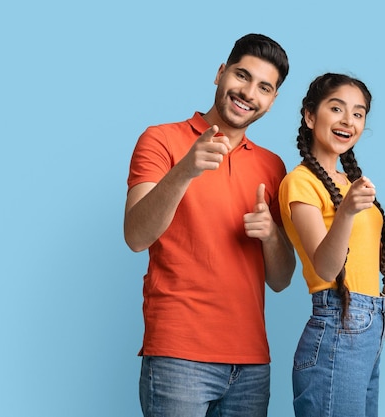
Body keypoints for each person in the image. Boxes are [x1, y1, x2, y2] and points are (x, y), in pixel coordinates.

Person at [124, 33, 296, 417]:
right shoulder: (161, 139)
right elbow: (135, 236)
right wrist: (186, 169)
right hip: (178, 356)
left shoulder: (273, 167)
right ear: (220, 73)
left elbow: (282, 279)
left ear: (272, 101)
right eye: (242, 75)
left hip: (251, 364)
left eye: (264, 87)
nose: (249, 92)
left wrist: (270, 235)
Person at [278, 73, 385, 417]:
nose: (348, 120)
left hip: (369, 326)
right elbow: (325, 267)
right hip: (337, 323)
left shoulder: (352, 183)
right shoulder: (300, 183)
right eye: (336, 108)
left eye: (358, 113)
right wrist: (347, 211)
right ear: (310, 116)